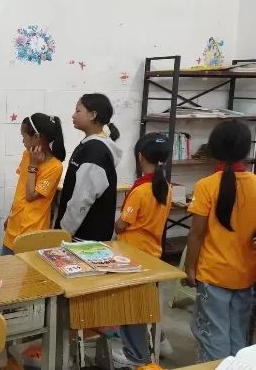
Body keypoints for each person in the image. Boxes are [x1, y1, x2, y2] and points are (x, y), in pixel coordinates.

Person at [185, 120, 256, 362]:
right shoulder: (255, 184)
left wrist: (190, 268)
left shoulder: (206, 186)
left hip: (212, 275)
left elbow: (196, 234)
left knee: (212, 336)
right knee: (239, 333)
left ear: (213, 149)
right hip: (246, 275)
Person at [112, 133, 174, 367]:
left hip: (132, 257)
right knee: (146, 304)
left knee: (131, 308)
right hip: (153, 254)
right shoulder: (166, 187)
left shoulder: (140, 191)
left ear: (140, 157)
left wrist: (116, 223)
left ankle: (135, 355)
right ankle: (160, 341)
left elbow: (121, 224)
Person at [54, 93, 122, 241]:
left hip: (84, 238)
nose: (73, 115)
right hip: (81, 235)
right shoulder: (91, 145)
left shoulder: (95, 151)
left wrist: (64, 232)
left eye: (78, 111)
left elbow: (82, 199)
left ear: (93, 115)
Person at [2, 113, 66, 255]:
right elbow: (21, 189)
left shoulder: (55, 166)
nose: (22, 140)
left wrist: (33, 165)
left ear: (37, 137)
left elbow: (30, 195)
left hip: (33, 232)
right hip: (13, 227)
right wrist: (10, 216)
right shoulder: (27, 154)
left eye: (24, 136)